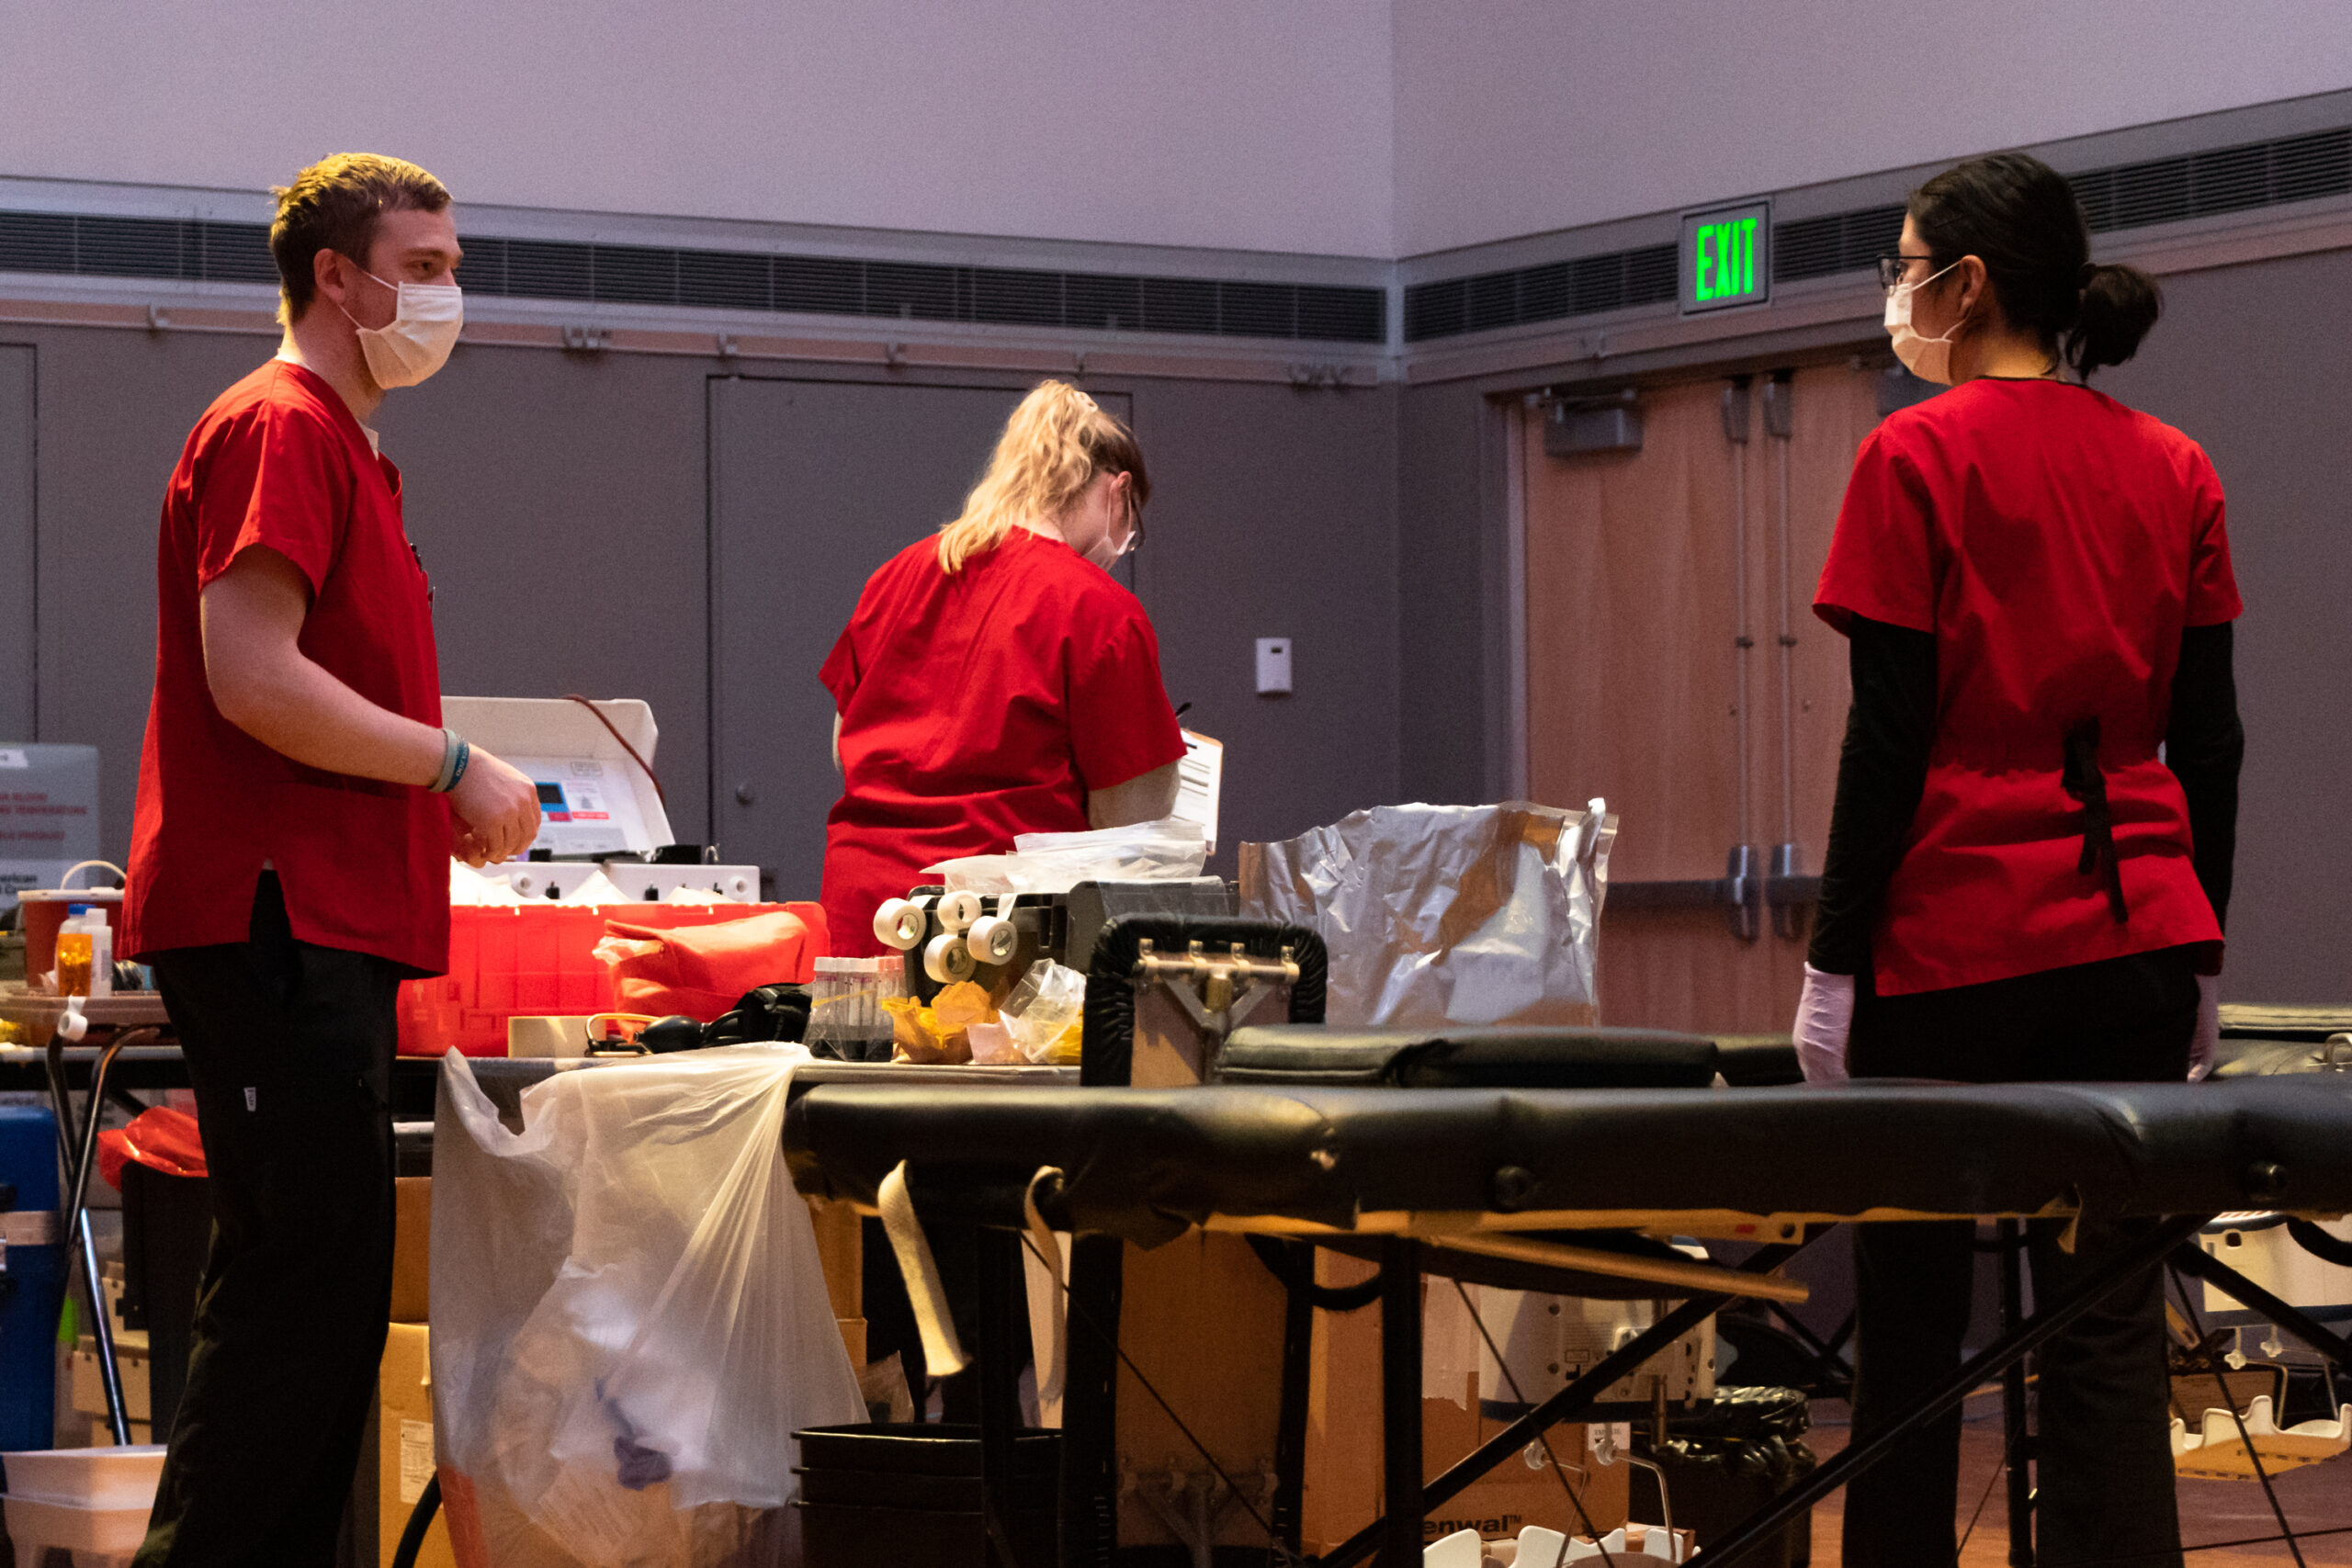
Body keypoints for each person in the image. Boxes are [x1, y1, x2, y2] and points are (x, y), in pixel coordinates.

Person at [1792, 152, 2243, 1568]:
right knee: (2107, 1324)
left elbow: (1889, 740)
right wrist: (2205, 949)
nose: (1897, 290)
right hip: (2139, 942)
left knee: (1912, 1328)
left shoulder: (1912, 454)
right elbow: (2213, 743)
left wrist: (1830, 960)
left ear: (1967, 283)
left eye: (1908, 260)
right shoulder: (2177, 466)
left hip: (1956, 939)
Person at [119, 153, 542, 1564]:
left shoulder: (352, 449)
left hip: (321, 926)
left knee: (321, 1305)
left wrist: (437, 783)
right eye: (422, 268)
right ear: (335, 279)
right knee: (295, 1310)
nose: (448, 294)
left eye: (453, 267)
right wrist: (448, 762)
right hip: (270, 921)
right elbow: (253, 677)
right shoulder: (279, 426)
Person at [819, 379, 1187, 957]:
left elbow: (846, 749)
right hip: (999, 939)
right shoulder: (1096, 607)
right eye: (1130, 531)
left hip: (868, 918)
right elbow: (1130, 819)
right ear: (1117, 494)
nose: (1120, 549)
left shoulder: (894, 578)